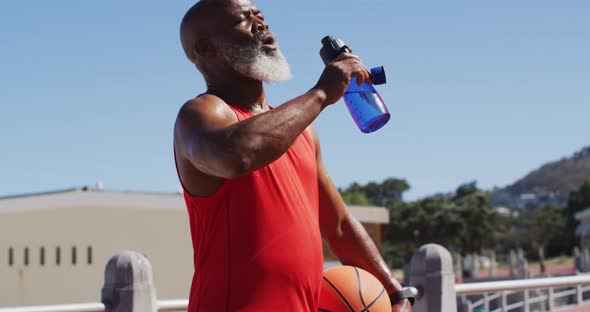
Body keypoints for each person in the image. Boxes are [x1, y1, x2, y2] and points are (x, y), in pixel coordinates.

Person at [174, 0, 412, 311]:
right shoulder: (201, 114)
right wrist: (322, 93)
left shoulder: (300, 129)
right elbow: (234, 156)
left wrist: (396, 293)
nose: (262, 25)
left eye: (261, 16)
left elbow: (338, 224)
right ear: (206, 48)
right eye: (244, 20)